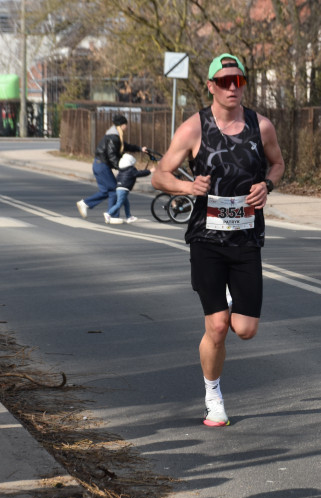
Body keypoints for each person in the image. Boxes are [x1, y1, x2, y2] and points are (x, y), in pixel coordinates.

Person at [151, 53, 284, 427]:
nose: (231, 87)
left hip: (246, 239)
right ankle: (213, 396)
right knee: (218, 327)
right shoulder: (194, 128)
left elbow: (278, 163)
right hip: (206, 241)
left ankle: (227, 302)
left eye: (237, 81)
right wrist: (186, 185)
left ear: (244, 85)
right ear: (210, 85)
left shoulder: (262, 126)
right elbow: (159, 175)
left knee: (245, 329)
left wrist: (267, 184)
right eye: (223, 81)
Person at [76, 114, 147, 221]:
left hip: (99, 164)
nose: (126, 127)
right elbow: (112, 155)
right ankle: (112, 216)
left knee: (106, 191)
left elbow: (126, 146)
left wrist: (140, 149)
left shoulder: (115, 135)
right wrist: (122, 169)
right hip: (102, 166)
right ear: (121, 125)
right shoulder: (114, 137)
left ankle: (87, 204)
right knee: (114, 190)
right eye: (125, 124)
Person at [106, 152, 150, 224]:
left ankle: (129, 217)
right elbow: (139, 173)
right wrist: (149, 171)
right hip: (124, 189)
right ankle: (108, 213)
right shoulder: (131, 169)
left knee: (126, 203)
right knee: (119, 203)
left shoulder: (122, 169)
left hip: (119, 187)